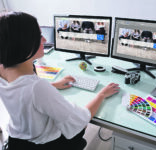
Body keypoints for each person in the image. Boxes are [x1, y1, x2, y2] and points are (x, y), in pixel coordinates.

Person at [0, 11, 120, 150]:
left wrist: (54, 85)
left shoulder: (3, 70)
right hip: (44, 145)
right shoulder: (38, 88)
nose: (45, 40)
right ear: (24, 45)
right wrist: (101, 95)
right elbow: (79, 121)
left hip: (17, 141)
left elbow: (22, 91)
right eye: (39, 36)